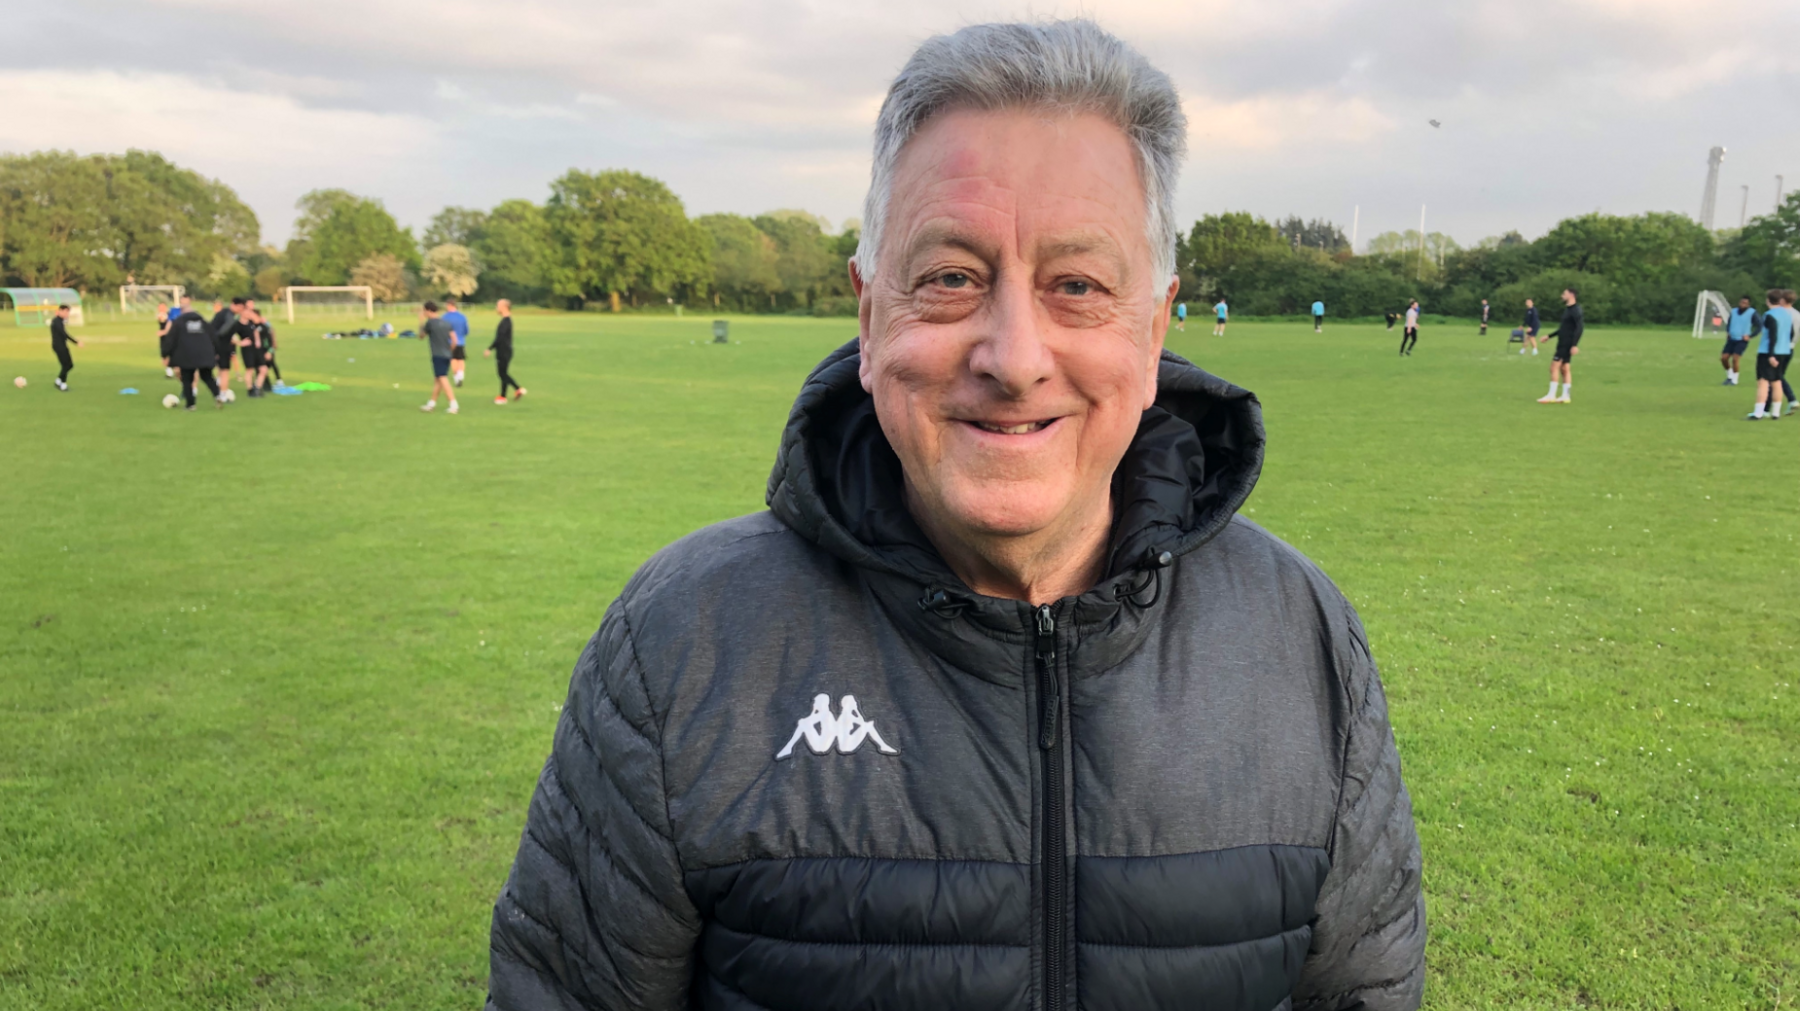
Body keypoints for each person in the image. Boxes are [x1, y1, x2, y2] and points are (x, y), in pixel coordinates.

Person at [486, 20, 1424, 1011]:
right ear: (868, 315)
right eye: (949, 279)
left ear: (1154, 330)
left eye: (1077, 285)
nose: (1013, 356)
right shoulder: (684, 643)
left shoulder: (1300, 635)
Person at [168, 295, 224, 410]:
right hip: (205, 354)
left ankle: (190, 404)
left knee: (187, 380)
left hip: (187, 355)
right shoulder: (203, 322)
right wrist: (217, 352)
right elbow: (214, 337)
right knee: (208, 377)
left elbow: (171, 339)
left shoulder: (179, 322)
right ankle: (218, 395)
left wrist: (166, 354)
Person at [1748, 288, 1794, 420]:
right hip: (1784, 351)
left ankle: (1758, 412)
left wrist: (1771, 354)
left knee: (1763, 381)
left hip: (1768, 351)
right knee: (1777, 380)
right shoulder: (1787, 314)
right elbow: (1791, 334)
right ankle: (1775, 412)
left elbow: (1772, 335)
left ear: (1768, 300)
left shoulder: (1769, 315)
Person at [1537, 287, 1582, 404]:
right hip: (1563, 342)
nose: (1562, 295)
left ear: (1571, 295)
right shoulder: (1568, 309)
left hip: (1566, 344)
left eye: (1564, 294)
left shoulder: (1576, 310)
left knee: (1553, 368)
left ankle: (1551, 395)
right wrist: (1549, 336)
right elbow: (1563, 329)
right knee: (1565, 368)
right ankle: (1565, 396)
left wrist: (1574, 345)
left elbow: (1580, 328)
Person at [419, 302, 459, 414]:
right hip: (447, 354)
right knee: (438, 380)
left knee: (442, 378)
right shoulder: (446, 323)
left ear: (427, 311)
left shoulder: (430, 323)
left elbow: (421, 336)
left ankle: (453, 404)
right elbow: (454, 340)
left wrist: (421, 322)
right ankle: (431, 404)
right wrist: (449, 350)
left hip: (437, 354)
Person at [483, 299, 526, 404]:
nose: (496, 308)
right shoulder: (506, 321)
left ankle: (516, 389)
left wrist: (489, 348)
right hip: (505, 350)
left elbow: (500, 338)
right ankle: (503, 396)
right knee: (503, 373)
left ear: (504, 307)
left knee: (502, 373)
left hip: (504, 351)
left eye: (498, 305)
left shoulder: (505, 322)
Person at [210, 298, 243, 396]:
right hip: (222, 346)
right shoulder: (230, 317)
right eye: (240, 307)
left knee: (219, 369)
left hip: (213, 344)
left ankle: (219, 390)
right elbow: (222, 332)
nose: (240, 310)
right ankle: (223, 394)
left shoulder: (222, 313)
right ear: (234, 305)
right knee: (224, 370)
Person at [1722, 296, 1758, 385]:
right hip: (1732, 339)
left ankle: (1735, 380)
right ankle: (1730, 376)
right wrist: (1728, 331)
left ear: (1748, 304)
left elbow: (1759, 326)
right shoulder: (1734, 311)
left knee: (1735, 359)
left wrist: (1750, 336)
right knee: (1724, 358)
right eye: (1742, 302)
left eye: (1745, 303)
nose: (1743, 304)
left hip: (1742, 340)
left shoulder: (1752, 313)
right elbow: (1729, 322)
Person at [50, 305, 82, 390]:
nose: (67, 314)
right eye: (65, 312)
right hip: (59, 346)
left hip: (61, 345)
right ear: (60, 311)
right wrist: (76, 342)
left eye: (68, 312)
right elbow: (64, 334)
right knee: (67, 365)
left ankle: (58, 381)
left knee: (68, 365)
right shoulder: (56, 321)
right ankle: (62, 384)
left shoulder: (60, 321)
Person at [443, 300, 471, 387]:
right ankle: (461, 376)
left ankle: (456, 378)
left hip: (449, 342)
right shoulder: (462, 317)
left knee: (453, 360)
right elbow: (466, 331)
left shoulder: (445, 317)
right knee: (461, 359)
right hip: (460, 341)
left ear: (449, 305)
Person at [156, 303, 177, 378]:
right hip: (163, 338)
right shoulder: (161, 315)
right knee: (164, 355)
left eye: (162, 307)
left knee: (172, 354)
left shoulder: (170, 315)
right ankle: (169, 372)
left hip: (170, 337)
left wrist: (164, 331)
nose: (160, 308)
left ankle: (174, 371)